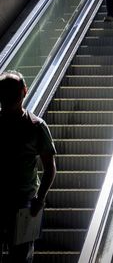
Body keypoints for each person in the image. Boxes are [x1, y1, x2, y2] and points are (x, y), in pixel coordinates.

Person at [0, 71, 57, 262]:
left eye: (13, 92)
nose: (8, 98)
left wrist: (39, 199)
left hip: (24, 203)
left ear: (24, 91)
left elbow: (50, 167)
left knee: (21, 256)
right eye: (4, 92)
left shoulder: (36, 126)